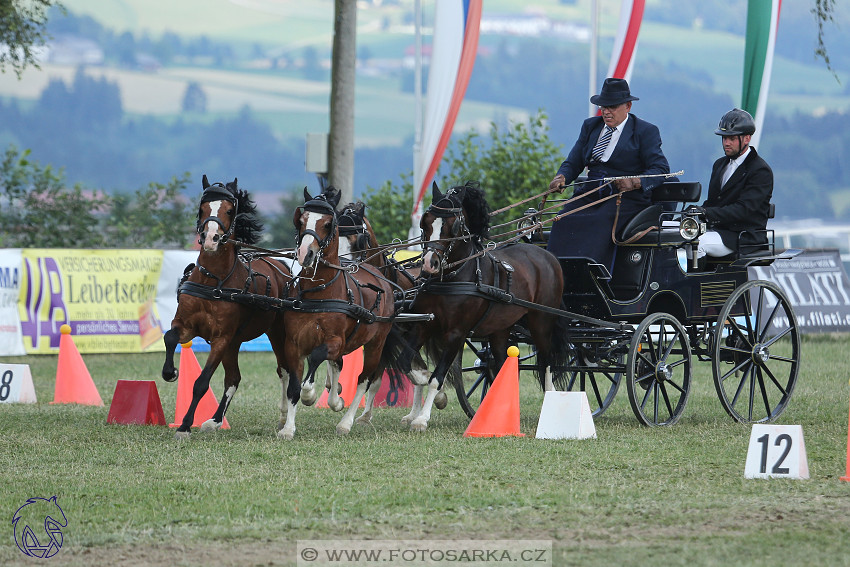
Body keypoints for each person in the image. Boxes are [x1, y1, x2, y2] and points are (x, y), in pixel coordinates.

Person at [546, 77, 670, 271]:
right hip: (592, 190)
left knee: (598, 221)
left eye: (612, 106)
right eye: (603, 106)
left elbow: (661, 170)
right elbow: (574, 161)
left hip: (626, 197)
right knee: (563, 219)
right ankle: (555, 273)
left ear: (628, 106)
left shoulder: (645, 132)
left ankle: (592, 275)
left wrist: (635, 182)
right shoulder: (590, 127)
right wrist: (561, 177)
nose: (606, 111)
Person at [690, 108, 773, 259]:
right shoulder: (719, 164)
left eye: (732, 138)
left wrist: (706, 213)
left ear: (747, 139)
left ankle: (696, 282)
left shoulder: (760, 170)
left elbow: (743, 210)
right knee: (673, 235)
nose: (726, 143)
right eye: (724, 138)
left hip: (742, 236)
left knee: (697, 243)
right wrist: (693, 212)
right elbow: (714, 202)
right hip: (717, 230)